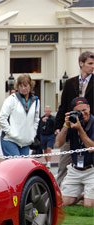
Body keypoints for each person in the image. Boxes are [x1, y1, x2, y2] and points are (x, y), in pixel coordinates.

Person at [54, 51, 94, 185]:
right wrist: (58, 127)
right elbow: (63, 106)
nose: (92, 66)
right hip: (70, 128)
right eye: (90, 63)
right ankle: (58, 192)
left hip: (90, 129)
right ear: (81, 64)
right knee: (64, 162)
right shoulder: (70, 83)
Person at [55, 97, 94, 207]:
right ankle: (82, 194)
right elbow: (58, 143)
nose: (82, 113)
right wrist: (66, 125)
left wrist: (80, 129)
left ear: (89, 108)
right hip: (75, 169)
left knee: (89, 205)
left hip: (92, 169)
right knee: (64, 203)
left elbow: (91, 148)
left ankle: (87, 196)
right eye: (79, 111)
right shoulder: (72, 123)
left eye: (84, 110)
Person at [0, 74, 40, 157]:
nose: (23, 88)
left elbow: (36, 119)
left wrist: (32, 134)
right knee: (15, 166)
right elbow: (2, 118)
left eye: (25, 85)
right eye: (21, 86)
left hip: (25, 141)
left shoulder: (36, 101)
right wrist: (10, 132)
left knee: (23, 168)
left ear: (30, 86)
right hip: (10, 140)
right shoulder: (12, 99)